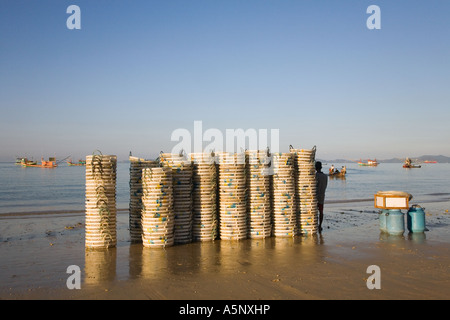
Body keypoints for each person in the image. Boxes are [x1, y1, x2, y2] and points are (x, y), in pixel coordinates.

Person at [315, 161, 328, 232]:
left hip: (315, 196)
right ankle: (320, 225)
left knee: (314, 211)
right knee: (321, 211)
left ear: (315, 167)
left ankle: (315, 224)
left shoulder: (316, 176)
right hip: (322, 195)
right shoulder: (325, 176)